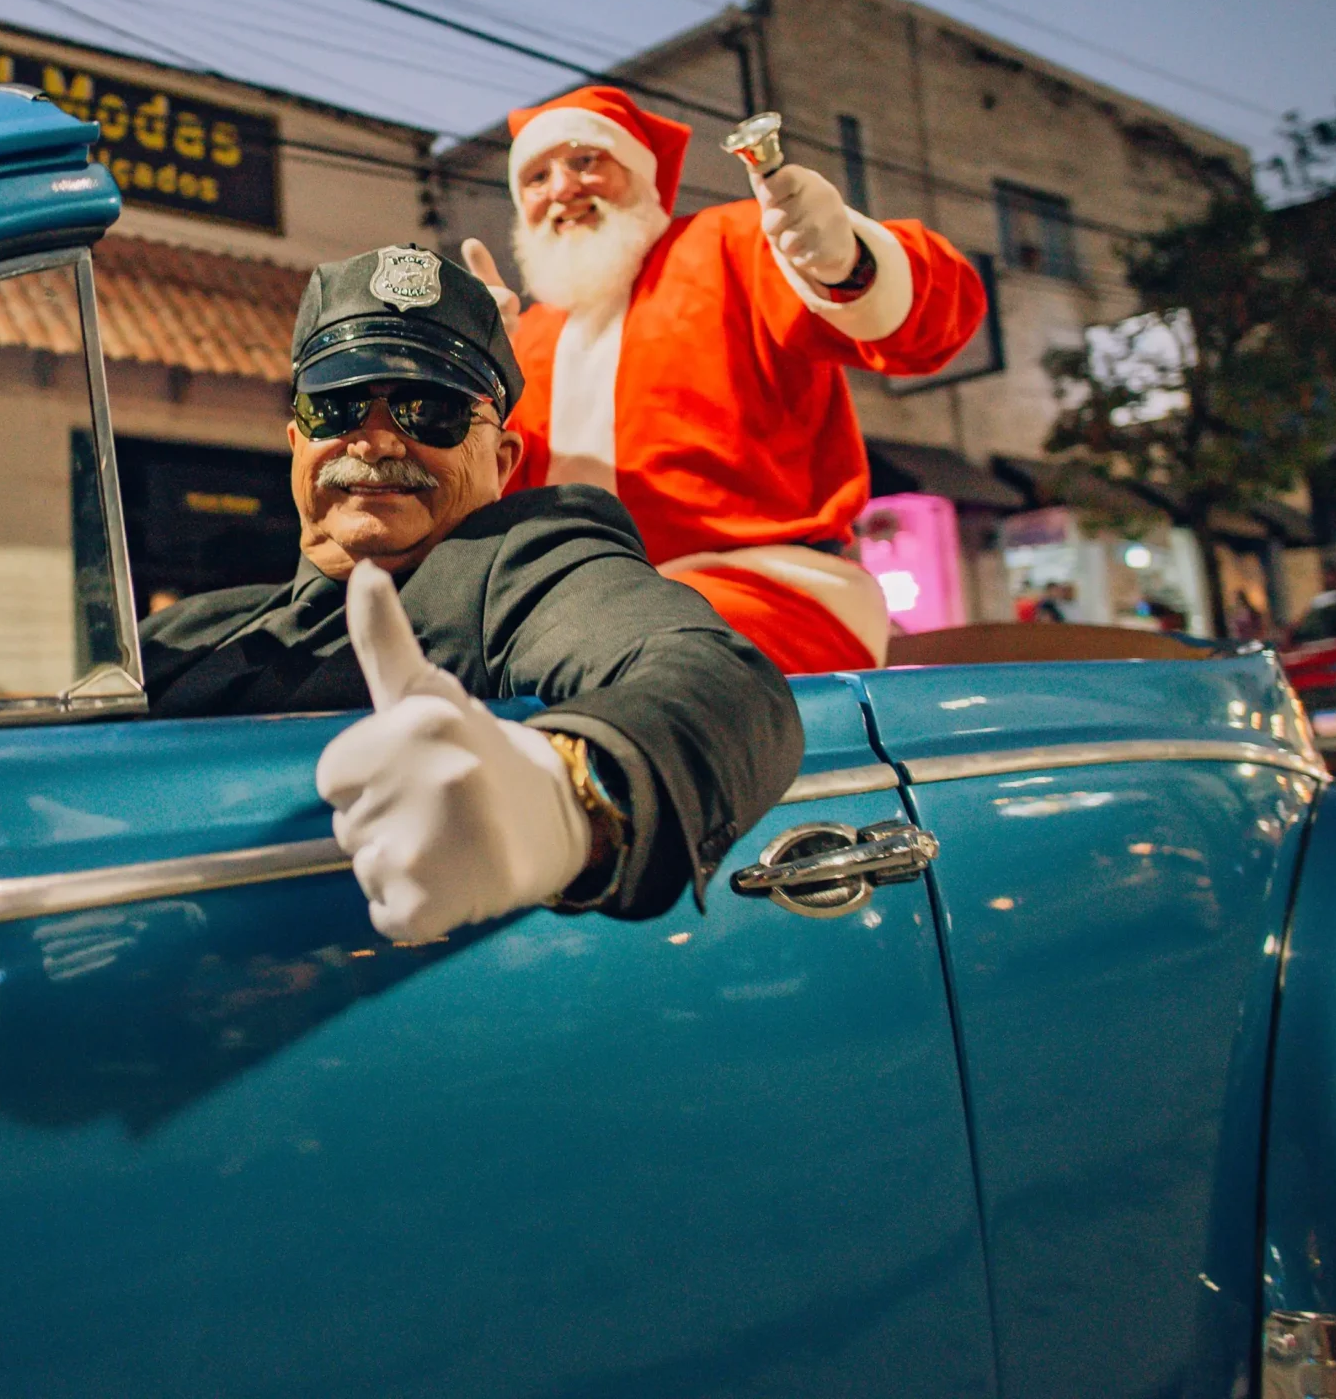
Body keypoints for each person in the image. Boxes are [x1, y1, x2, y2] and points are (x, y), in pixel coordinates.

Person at [143, 244, 803, 941]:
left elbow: (716, 678)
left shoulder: (521, 562)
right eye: (336, 407)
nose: (373, 439)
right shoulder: (187, 631)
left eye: (429, 410)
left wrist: (566, 797)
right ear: (296, 440)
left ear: (502, 459)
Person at [461, 86, 988, 674]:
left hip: (776, 593)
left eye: (585, 160)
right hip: (579, 610)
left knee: (606, 647)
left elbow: (941, 318)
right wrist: (468, 381)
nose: (561, 188)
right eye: (536, 177)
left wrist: (848, 260)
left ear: (637, 172)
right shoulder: (529, 338)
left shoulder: (732, 244)